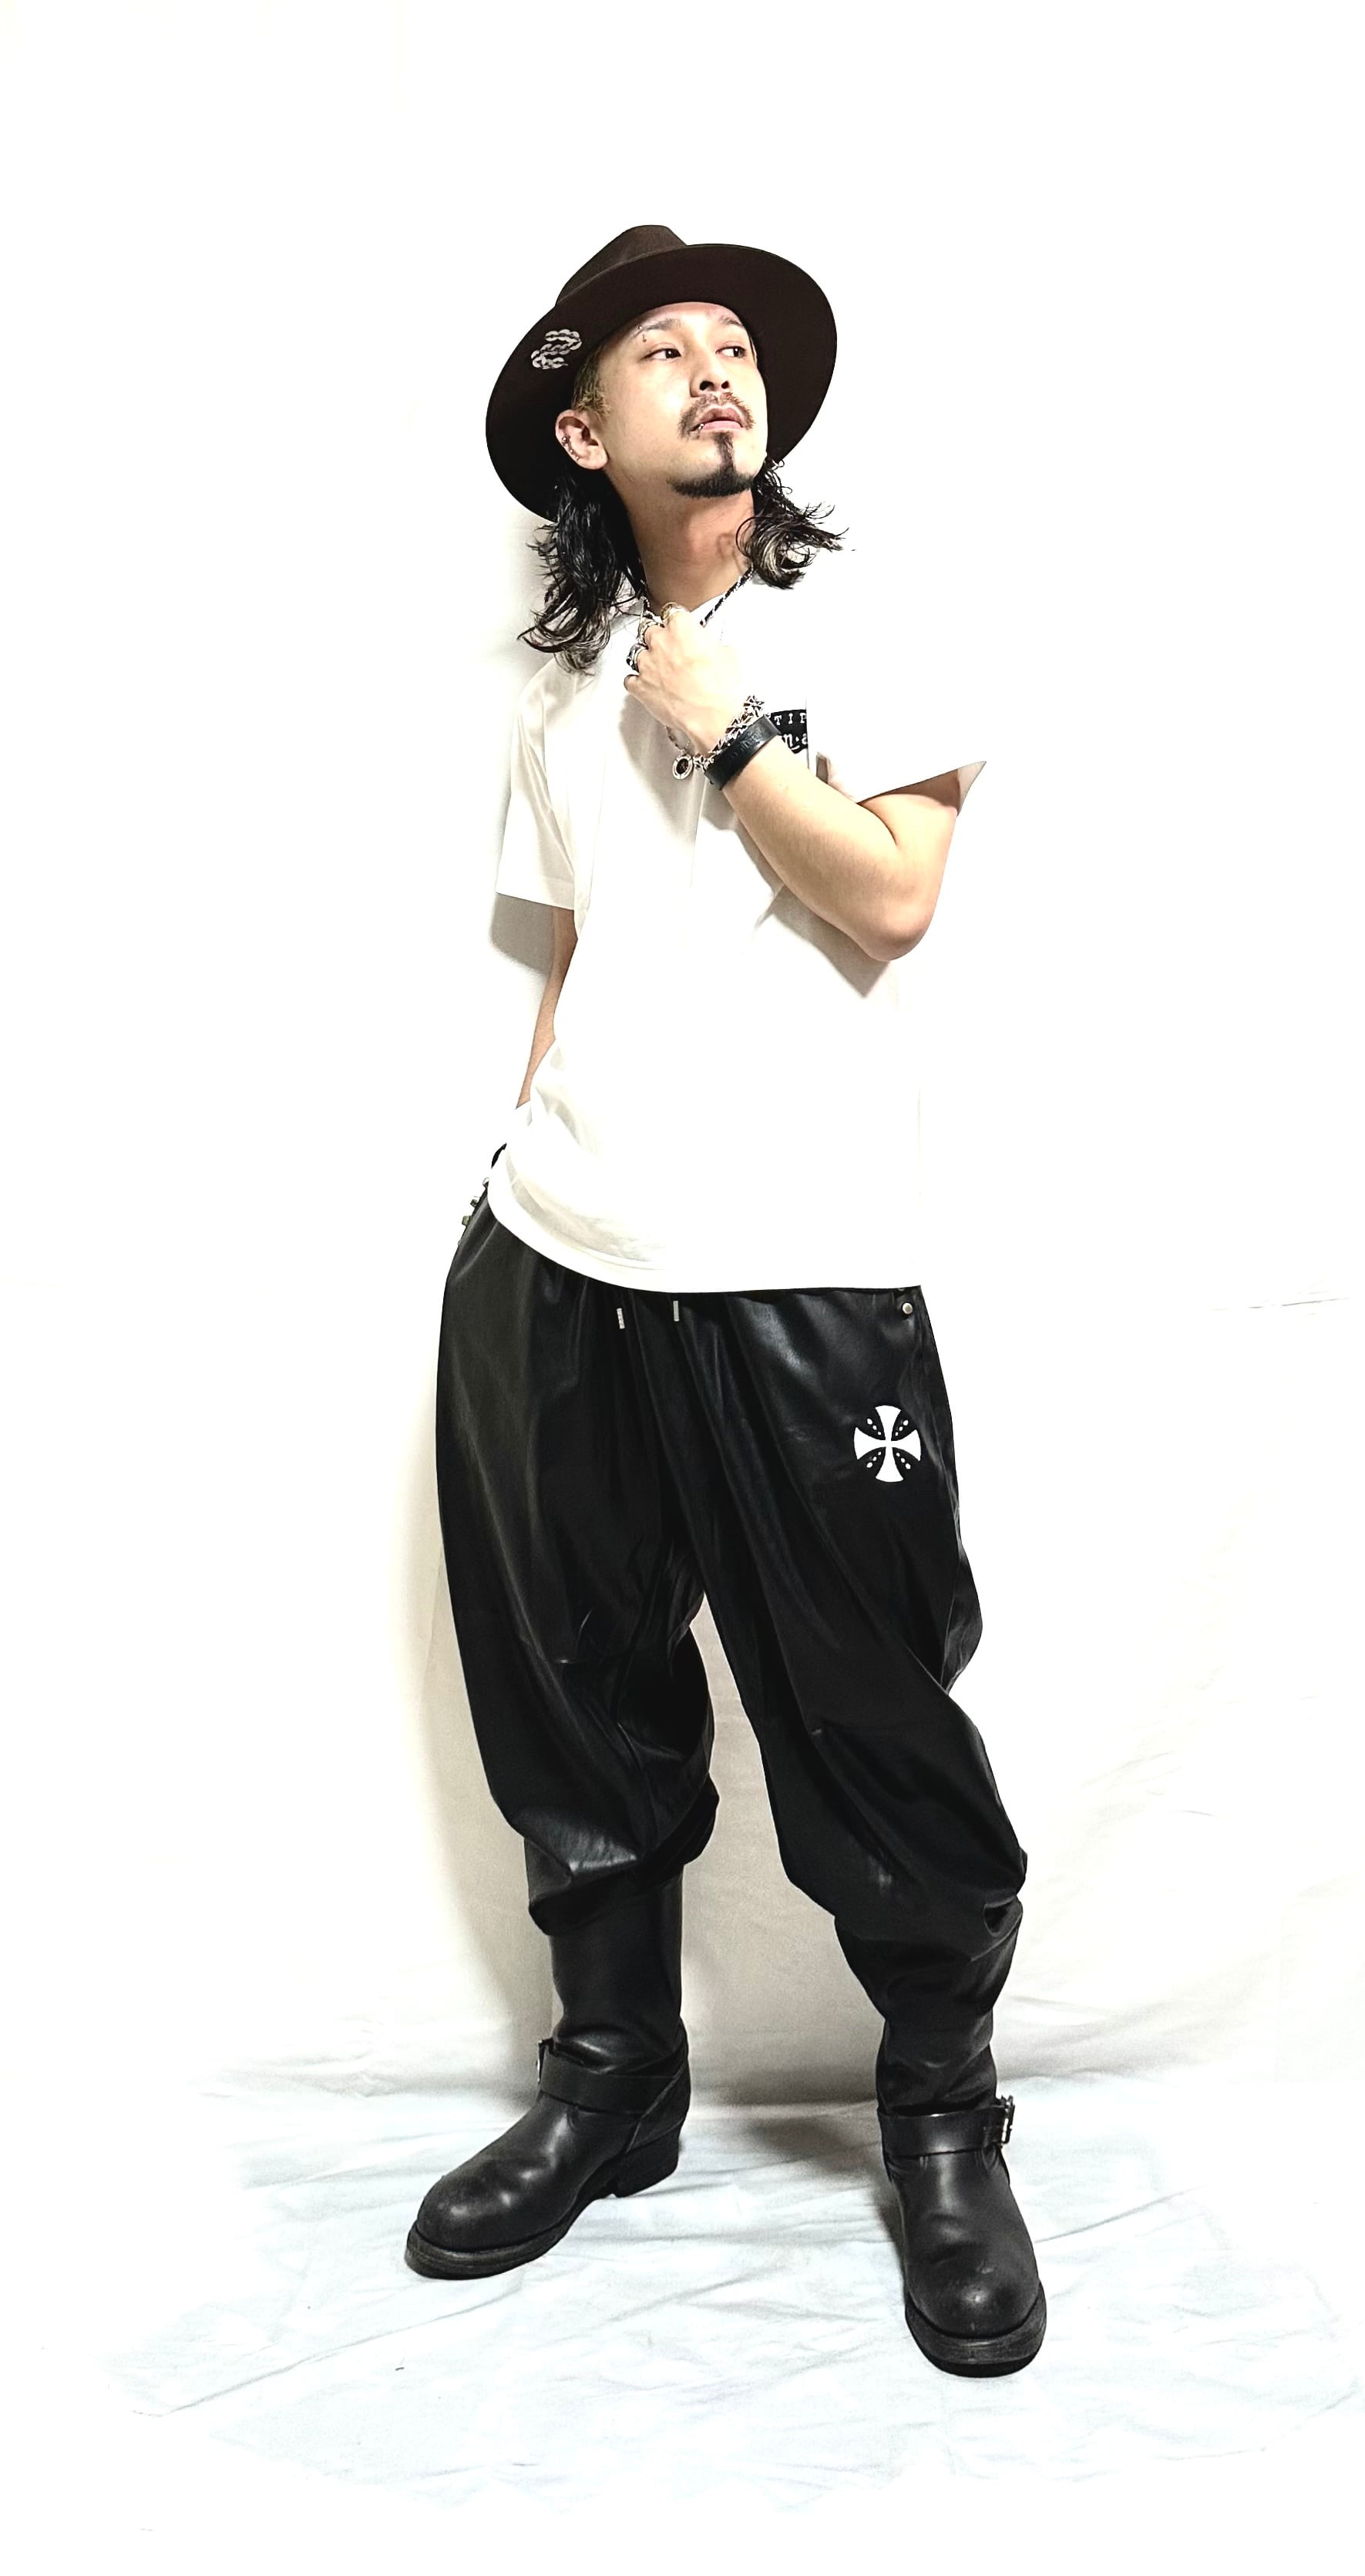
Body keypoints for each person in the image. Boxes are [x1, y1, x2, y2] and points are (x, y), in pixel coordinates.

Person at [405, 226, 1046, 2377]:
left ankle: (942, 2119)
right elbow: (580, 957)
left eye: (738, 346)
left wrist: (734, 732)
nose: (716, 368)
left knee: (873, 1706)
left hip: (804, 1266)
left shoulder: (868, 617)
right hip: (559, 1259)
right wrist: (505, 1186)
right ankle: (614, 2084)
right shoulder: (559, 684)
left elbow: (895, 899)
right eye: (663, 350)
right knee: (573, 1700)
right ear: (586, 429)